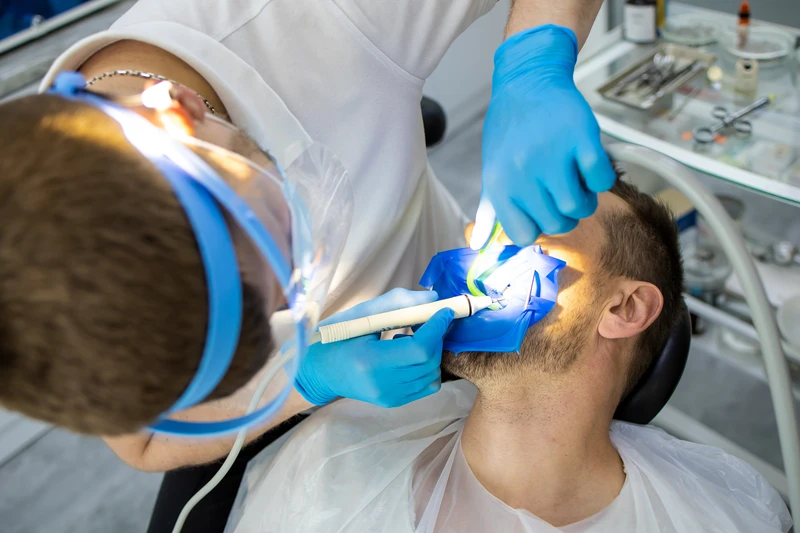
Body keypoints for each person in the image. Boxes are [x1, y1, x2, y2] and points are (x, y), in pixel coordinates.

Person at [0, 0, 615, 530]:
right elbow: (144, 442)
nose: (305, 299)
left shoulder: (326, 18)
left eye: (285, 230)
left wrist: (533, 61)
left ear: (179, 109)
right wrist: (305, 380)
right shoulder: (55, 287)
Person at [226, 180, 792, 533]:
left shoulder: (722, 517)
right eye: (485, 233)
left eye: (537, 232)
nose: (480, 243)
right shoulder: (328, 470)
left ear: (623, 308)